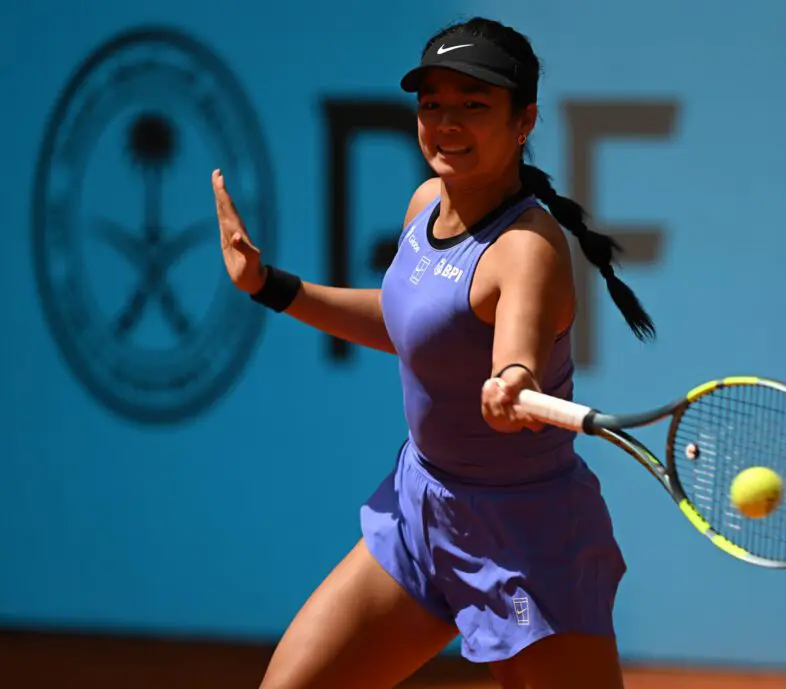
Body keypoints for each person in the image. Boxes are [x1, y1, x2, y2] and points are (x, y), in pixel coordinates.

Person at [212, 16, 655, 689]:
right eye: (432, 104)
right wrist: (268, 286)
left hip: (525, 542)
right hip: (423, 508)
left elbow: (517, 352)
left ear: (524, 121)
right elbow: (409, 326)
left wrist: (514, 382)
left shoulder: (527, 250)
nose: (446, 122)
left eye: (473, 105)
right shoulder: (425, 203)